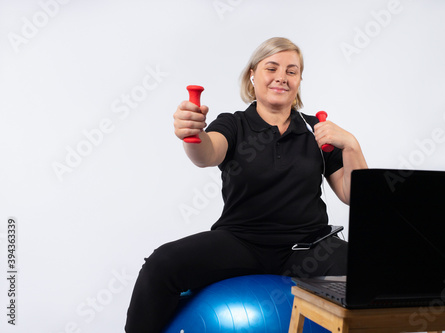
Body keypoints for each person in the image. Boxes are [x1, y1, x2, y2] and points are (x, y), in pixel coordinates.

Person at [125, 37, 368, 333]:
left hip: (307, 246)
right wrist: (192, 133)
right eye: (272, 68)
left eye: (292, 71)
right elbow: (206, 153)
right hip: (242, 242)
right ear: (252, 74)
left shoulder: (316, 131)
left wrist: (352, 145)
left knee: (371, 270)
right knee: (161, 266)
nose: (281, 77)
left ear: (299, 81)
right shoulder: (233, 124)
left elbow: (352, 194)